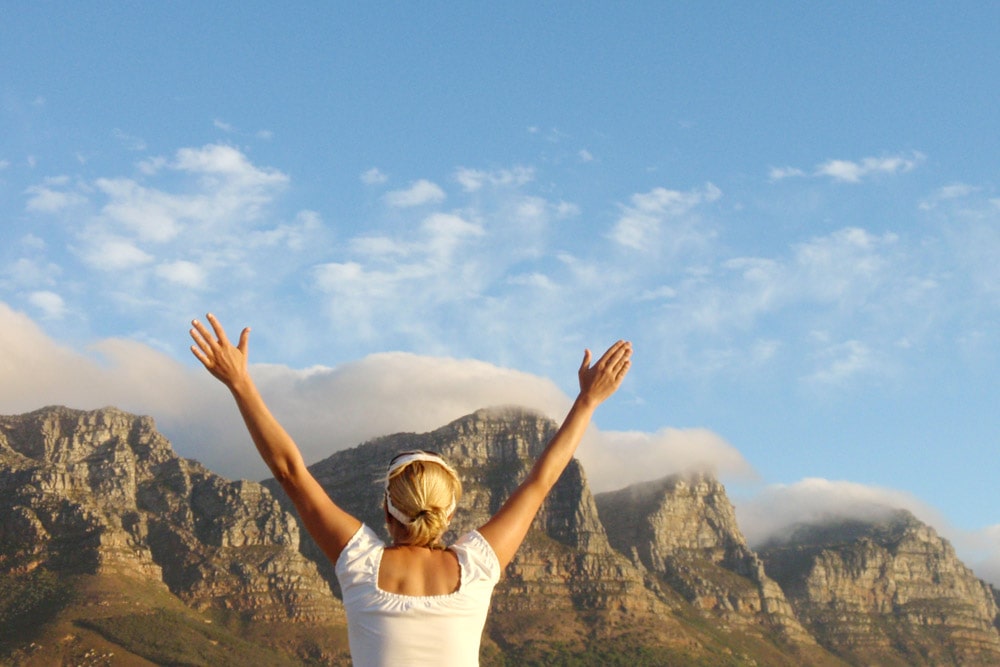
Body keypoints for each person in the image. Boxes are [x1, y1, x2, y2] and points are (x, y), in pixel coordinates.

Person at [189, 313, 632, 666]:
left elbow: (289, 470)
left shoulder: (361, 565)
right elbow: (541, 482)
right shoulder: (476, 566)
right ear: (450, 511)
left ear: (386, 508)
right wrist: (587, 401)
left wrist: (241, 383)